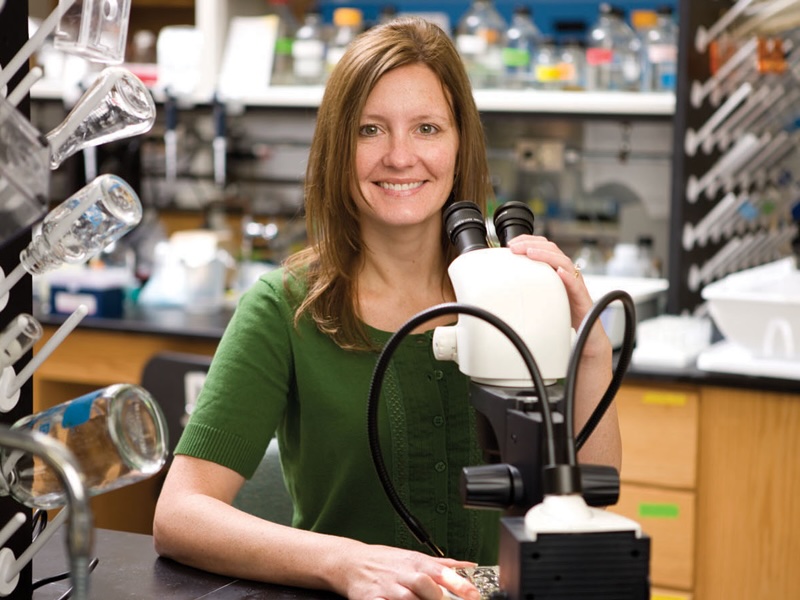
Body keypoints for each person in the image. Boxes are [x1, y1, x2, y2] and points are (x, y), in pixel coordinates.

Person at [153, 16, 620, 600]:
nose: (401, 157)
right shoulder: (285, 308)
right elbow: (180, 513)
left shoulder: (515, 292)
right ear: (336, 146)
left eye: (427, 127)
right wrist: (346, 562)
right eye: (371, 130)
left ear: (459, 143)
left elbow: (596, 493)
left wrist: (591, 346)